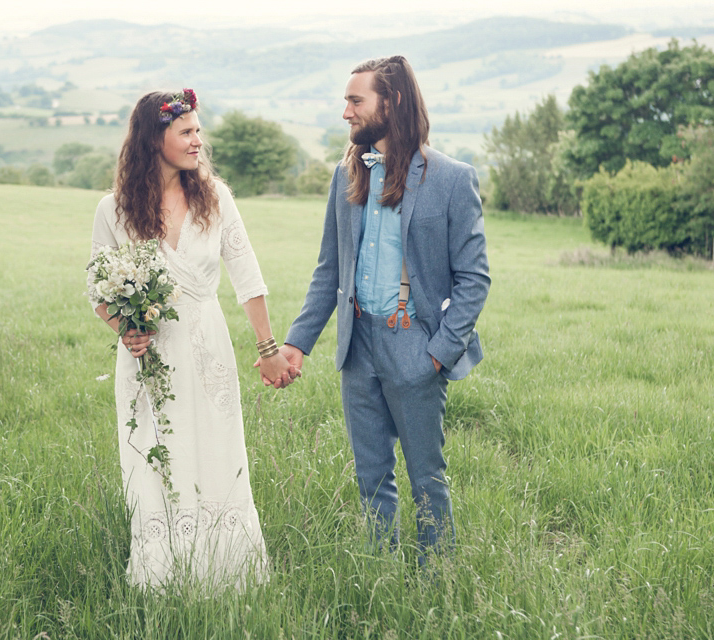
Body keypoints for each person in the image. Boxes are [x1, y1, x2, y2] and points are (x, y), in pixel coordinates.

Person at [278, 56, 490, 562]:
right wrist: (295, 342)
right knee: (371, 478)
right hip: (358, 346)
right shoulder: (344, 175)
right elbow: (330, 271)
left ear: (390, 103)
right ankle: (379, 575)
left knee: (426, 480)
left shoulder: (452, 179)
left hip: (416, 345)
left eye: (356, 101)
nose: (346, 112)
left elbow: (474, 280)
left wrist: (437, 354)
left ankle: (435, 581)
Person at [87, 89, 295, 589]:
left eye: (199, 130)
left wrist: (268, 350)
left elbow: (249, 278)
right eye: (186, 132)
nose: (198, 140)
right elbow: (97, 289)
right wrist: (127, 330)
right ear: (153, 139)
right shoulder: (112, 210)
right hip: (147, 361)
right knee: (156, 455)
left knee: (217, 450)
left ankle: (227, 571)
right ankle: (162, 576)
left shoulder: (215, 198)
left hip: (207, 349)